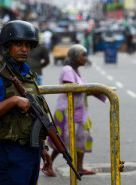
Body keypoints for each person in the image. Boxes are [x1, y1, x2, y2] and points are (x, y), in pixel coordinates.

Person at [0, 20, 52, 185]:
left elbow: (35, 115)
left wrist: (42, 147)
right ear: (6, 47)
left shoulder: (28, 75)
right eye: (18, 44)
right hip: (11, 150)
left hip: (32, 149)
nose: (24, 49)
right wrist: (13, 101)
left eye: (27, 45)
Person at [42, 44, 106, 177]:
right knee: (62, 140)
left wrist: (94, 91)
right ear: (75, 57)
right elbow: (70, 87)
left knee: (81, 138)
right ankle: (48, 165)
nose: (85, 58)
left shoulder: (76, 71)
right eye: (83, 55)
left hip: (79, 111)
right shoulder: (67, 70)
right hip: (67, 111)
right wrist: (89, 89)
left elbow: (80, 90)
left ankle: (80, 167)